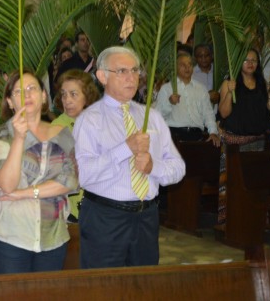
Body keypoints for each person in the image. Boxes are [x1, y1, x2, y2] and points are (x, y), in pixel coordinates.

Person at [73, 46, 185, 269]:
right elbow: (84, 176)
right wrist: (125, 148)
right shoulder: (90, 119)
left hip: (146, 216)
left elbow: (178, 167)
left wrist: (154, 167)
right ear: (102, 76)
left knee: (143, 286)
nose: (131, 77)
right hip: (106, 217)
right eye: (122, 71)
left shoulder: (151, 117)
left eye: (135, 71)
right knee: (104, 288)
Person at [0, 71, 77, 274]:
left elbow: (69, 181)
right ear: (9, 102)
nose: (26, 95)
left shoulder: (63, 134)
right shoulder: (1, 136)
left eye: (32, 89)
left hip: (53, 236)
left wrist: (25, 193)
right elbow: (8, 185)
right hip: (11, 235)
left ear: (44, 96)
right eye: (19, 91)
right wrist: (18, 138)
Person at [217, 49, 270, 224]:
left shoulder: (262, 84)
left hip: (258, 143)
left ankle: (252, 221)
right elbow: (224, 114)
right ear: (239, 62)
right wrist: (228, 92)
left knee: (254, 185)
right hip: (235, 143)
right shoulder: (229, 83)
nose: (250, 63)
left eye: (254, 60)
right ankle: (232, 221)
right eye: (246, 59)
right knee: (235, 185)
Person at [52, 69, 101, 221]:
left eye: (73, 94)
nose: (67, 100)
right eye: (64, 94)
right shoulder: (58, 127)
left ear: (87, 96)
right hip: (72, 207)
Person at [155, 53, 220, 146]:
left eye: (189, 64)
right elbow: (158, 115)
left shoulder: (201, 88)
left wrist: (213, 132)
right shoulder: (167, 88)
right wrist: (169, 102)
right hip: (174, 135)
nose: (187, 67)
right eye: (182, 65)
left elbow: (208, 113)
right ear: (175, 67)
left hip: (197, 135)